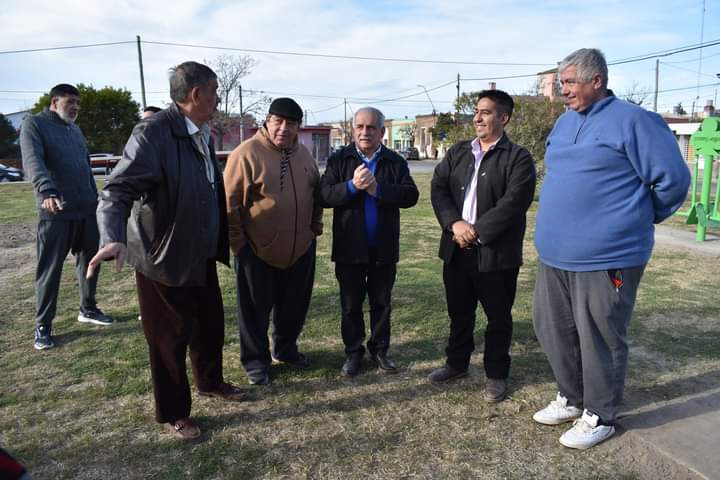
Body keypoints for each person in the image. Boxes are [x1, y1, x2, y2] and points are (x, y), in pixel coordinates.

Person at [532, 48, 690, 449]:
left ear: (596, 81)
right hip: (555, 254)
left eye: (569, 83)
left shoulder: (636, 122)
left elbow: (672, 181)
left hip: (607, 256)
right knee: (553, 330)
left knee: (600, 335)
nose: (562, 91)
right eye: (561, 83)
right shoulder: (565, 123)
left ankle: (600, 414)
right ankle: (572, 397)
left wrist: (636, 217)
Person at [88, 61, 245, 441]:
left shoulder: (201, 133)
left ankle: (210, 382)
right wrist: (113, 235)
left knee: (209, 325)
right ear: (196, 95)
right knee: (169, 338)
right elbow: (117, 190)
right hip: (163, 257)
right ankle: (175, 412)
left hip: (200, 251)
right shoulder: (153, 134)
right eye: (215, 92)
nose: (218, 99)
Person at [428, 89, 536, 403]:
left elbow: (514, 203)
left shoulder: (518, 158)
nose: (477, 117)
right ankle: (456, 364)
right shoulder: (459, 152)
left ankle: (496, 374)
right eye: (476, 111)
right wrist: (454, 224)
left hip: (496, 255)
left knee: (498, 317)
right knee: (459, 313)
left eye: (486, 112)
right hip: (456, 250)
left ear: (504, 118)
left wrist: (475, 231)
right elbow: (438, 189)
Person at [224, 98, 323, 386]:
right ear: (267, 122)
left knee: (294, 306)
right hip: (256, 249)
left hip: (301, 247)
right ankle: (256, 361)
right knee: (255, 310)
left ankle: (286, 349)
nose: (283, 128)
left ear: (297, 127)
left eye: (290, 123)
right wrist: (238, 244)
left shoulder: (304, 155)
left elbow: (316, 192)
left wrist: (314, 226)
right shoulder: (246, 154)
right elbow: (230, 205)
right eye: (278, 121)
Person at [319, 107, 419, 377]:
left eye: (371, 127)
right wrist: (352, 186)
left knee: (381, 303)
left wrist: (378, 189)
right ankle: (353, 353)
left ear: (382, 132)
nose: (365, 132)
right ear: (352, 130)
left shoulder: (394, 162)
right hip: (349, 249)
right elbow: (325, 195)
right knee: (350, 305)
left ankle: (380, 350)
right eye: (360, 127)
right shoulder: (340, 159)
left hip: (383, 248)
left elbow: (411, 195)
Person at [20, 83, 114, 351]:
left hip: (86, 209)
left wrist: (96, 199)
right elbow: (32, 160)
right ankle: (43, 325)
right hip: (56, 210)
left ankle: (88, 308)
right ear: (54, 102)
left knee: (91, 262)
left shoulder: (74, 129)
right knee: (50, 270)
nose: (75, 107)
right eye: (70, 101)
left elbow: (84, 166)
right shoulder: (34, 125)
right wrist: (46, 189)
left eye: (78, 103)